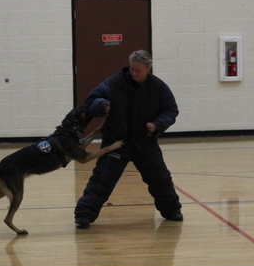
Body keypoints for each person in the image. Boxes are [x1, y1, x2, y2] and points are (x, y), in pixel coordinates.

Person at [74, 50, 183, 229]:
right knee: (102, 179)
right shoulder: (113, 83)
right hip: (116, 142)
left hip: (145, 142)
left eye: (138, 70)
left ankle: (172, 210)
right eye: (131, 69)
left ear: (148, 69)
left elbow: (170, 110)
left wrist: (157, 124)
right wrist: (101, 105)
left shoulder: (158, 87)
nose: (133, 73)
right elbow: (92, 100)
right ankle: (84, 214)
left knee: (160, 178)